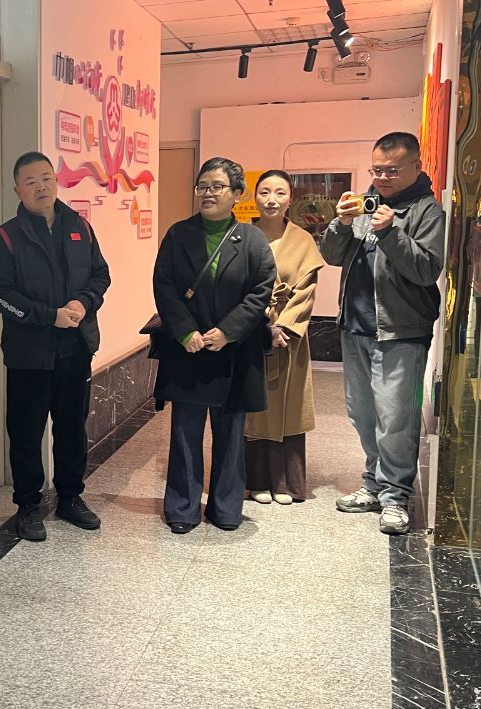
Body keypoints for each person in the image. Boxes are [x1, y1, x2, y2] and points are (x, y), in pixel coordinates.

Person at [322, 132, 445, 535]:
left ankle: (396, 495)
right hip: (355, 327)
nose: (382, 178)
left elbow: (426, 270)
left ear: (415, 167)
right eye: (377, 170)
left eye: (392, 170)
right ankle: (374, 483)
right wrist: (341, 224)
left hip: (401, 331)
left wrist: (392, 232)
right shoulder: (365, 203)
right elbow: (332, 256)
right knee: (362, 414)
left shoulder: (427, 211)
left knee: (395, 418)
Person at [0, 151, 111, 542]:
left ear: (56, 181)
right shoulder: (6, 236)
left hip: (76, 348)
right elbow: (0, 295)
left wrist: (83, 303)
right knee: (26, 432)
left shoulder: (80, 226)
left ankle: (71, 498)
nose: (40, 187)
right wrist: (48, 315)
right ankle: (28, 505)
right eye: (30, 182)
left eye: (46, 178)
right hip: (29, 354)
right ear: (17, 190)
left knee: (72, 428)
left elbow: (101, 275)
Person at [151, 157, 276, 534]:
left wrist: (228, 331)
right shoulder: (178, 234)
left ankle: (226, 508)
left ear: (237, 194)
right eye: (202, 186)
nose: (208, 193)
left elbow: (261, 291)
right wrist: (185, 331)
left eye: (217, 186)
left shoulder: (252, 239)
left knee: (230, 434)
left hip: (233, 353)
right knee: (185, 433)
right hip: (188, 350)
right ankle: (182, 508)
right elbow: (164, 286)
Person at [245, 170, 325, 505]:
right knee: (255, 407)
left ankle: (285, 483)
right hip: (251, 334)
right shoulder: (243, 236)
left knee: (288, 406)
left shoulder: (302, 239)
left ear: (290, 199)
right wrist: (261, 326)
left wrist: (284, 327)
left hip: (289, 338)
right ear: (255, 196)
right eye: (264, 192)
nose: (271, 200)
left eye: (280, 193)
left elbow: (306, 291)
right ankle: (256, 481)